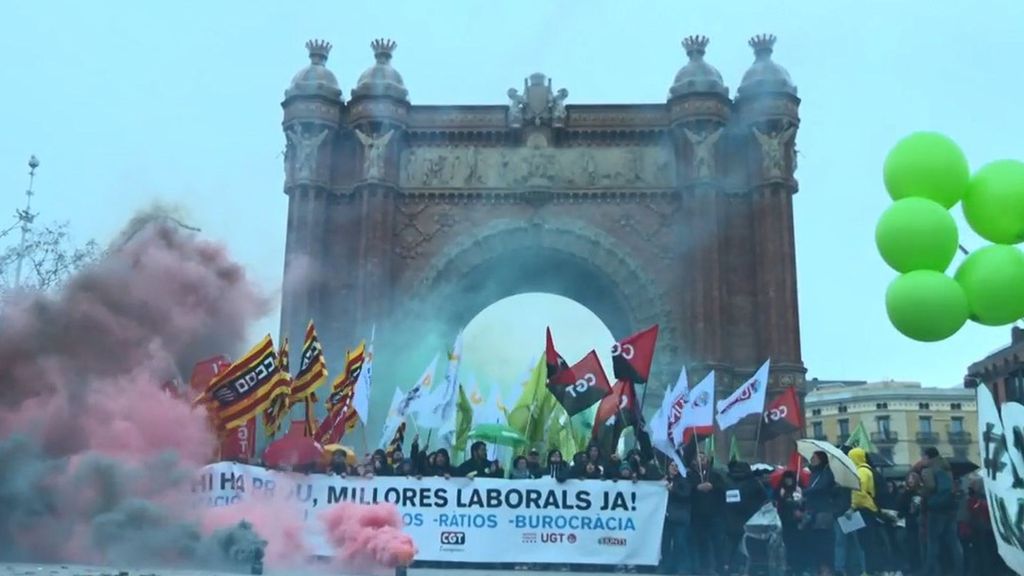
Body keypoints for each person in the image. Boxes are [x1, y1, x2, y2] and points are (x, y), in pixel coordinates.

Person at [920, 446, 963, 576]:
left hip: (936, 509)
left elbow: (930, 487)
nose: (922, 460)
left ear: (927, 457)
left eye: (923, 457)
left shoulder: (929, 470)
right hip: (950, 509)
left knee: (932, 543)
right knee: (954, 542)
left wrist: (922, 491)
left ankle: (929, 572)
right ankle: (959, 571)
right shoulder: (947, 467)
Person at [846, 447, 885, 576]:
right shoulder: (866, 470)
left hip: (863, 510)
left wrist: (852, 508)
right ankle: (870, 570)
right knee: (868, 542)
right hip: (868, 509)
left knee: (865, 543)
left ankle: (869, 571)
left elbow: (859, 491)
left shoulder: (861, 471)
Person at [689, 451, 727, 575]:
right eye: (698, 458)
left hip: (714, 514)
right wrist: (697, 488)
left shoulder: (715, 474)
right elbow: (687, 490)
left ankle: (719, 568)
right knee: (701, 542)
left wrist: (713, 486)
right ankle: (703, 568)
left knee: (718, 542)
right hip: (698, 515)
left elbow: (724, 489)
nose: (701, 460)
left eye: (703, 457)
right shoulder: (691, 475)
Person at [801, 450, 837, 574]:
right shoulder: (813, 473)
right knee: (813, 543)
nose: (812, 459)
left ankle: (826, 568)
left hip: (823, 512)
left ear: (821, 459)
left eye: (814, 457)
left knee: (823, 543)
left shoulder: (827, 472)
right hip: (811, 512)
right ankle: (816, 568)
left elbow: (822, 487)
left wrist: (804, 492)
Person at [660, 461, 693, 575]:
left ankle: (682, 567)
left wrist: (673, 490)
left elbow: (686, 494)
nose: (674, 468)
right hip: (666, 517)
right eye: (672, 466)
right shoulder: (664, 479)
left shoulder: (684, 480)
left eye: (676, 466)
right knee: (666, 543)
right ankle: (666, 566)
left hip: (680, 517)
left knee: (680, 543)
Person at [774, 470, 804, 574]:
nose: (788, 481)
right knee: (784, 545)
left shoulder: (799, 490)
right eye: (786, 478)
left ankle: (797, 567)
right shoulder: (780, 490)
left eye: (790, 478)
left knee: (797, 545)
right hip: (784, 521)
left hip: (797, 523)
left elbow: (804, 504)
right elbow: (777, 504)